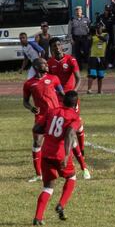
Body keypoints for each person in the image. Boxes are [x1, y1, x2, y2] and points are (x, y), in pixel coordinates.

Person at [32, 91, 82, 225]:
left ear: (63, 101)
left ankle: (38, 218)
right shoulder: (74, 117)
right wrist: (66, 155)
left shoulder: (51, 111)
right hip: (59, 155)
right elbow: (70, 133)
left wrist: (49, 132)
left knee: (48, 187)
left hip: (46, 153)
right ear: (76, 104)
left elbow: (36, 128)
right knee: (71, 177)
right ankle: (61, 204)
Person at [47, 37, 90, 179]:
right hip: (58, 99)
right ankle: (68, 152)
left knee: (77, 125)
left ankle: (81, 150)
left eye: (59, 45)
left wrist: (74, 92)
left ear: (62, 46)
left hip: (71, 98)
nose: (57, 47)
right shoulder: (50, 62)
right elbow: (50, 80)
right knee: (64, 128)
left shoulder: (70, 60)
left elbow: (78, 77)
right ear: (51, 48)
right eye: (54, 46)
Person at [23, 58, 64, 182]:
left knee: (59, 142)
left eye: (47, 63)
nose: (47, 65)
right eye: (44, 63)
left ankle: (63, 169)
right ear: (36, 66)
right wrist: (31, 108)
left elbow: (62, 94)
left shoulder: (54, 78)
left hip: (55, 116)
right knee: (37, 143)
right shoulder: (29, 83)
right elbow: (25, 101)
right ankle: (38, 174)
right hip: (41, 116)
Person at [68, 6, 91, 70]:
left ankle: (88, 66)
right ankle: (79, 67)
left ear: (81, 11)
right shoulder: (72, 19)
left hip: (85, 37)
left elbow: (90, 27)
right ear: (75, 12)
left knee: (86, 52)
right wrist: (71, 39)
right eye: (77, 11)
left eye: (79, 10)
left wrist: (90, 36)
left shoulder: (86, 18)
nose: (78, 12)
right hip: (76, 38)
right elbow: (69, 30)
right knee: (77, 53)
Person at [87, 25, 108, 94]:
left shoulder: (105, 35)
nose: (98, 29)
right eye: (97, 28)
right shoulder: (92, 37)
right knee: (92, 74)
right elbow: (88, 45)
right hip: (93, 57)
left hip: (102, 57)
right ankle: (89, 89)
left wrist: (97, 35)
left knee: (100, 75)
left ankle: (99, 90)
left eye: (100, 28)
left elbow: (105, 40)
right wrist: (91, 36)